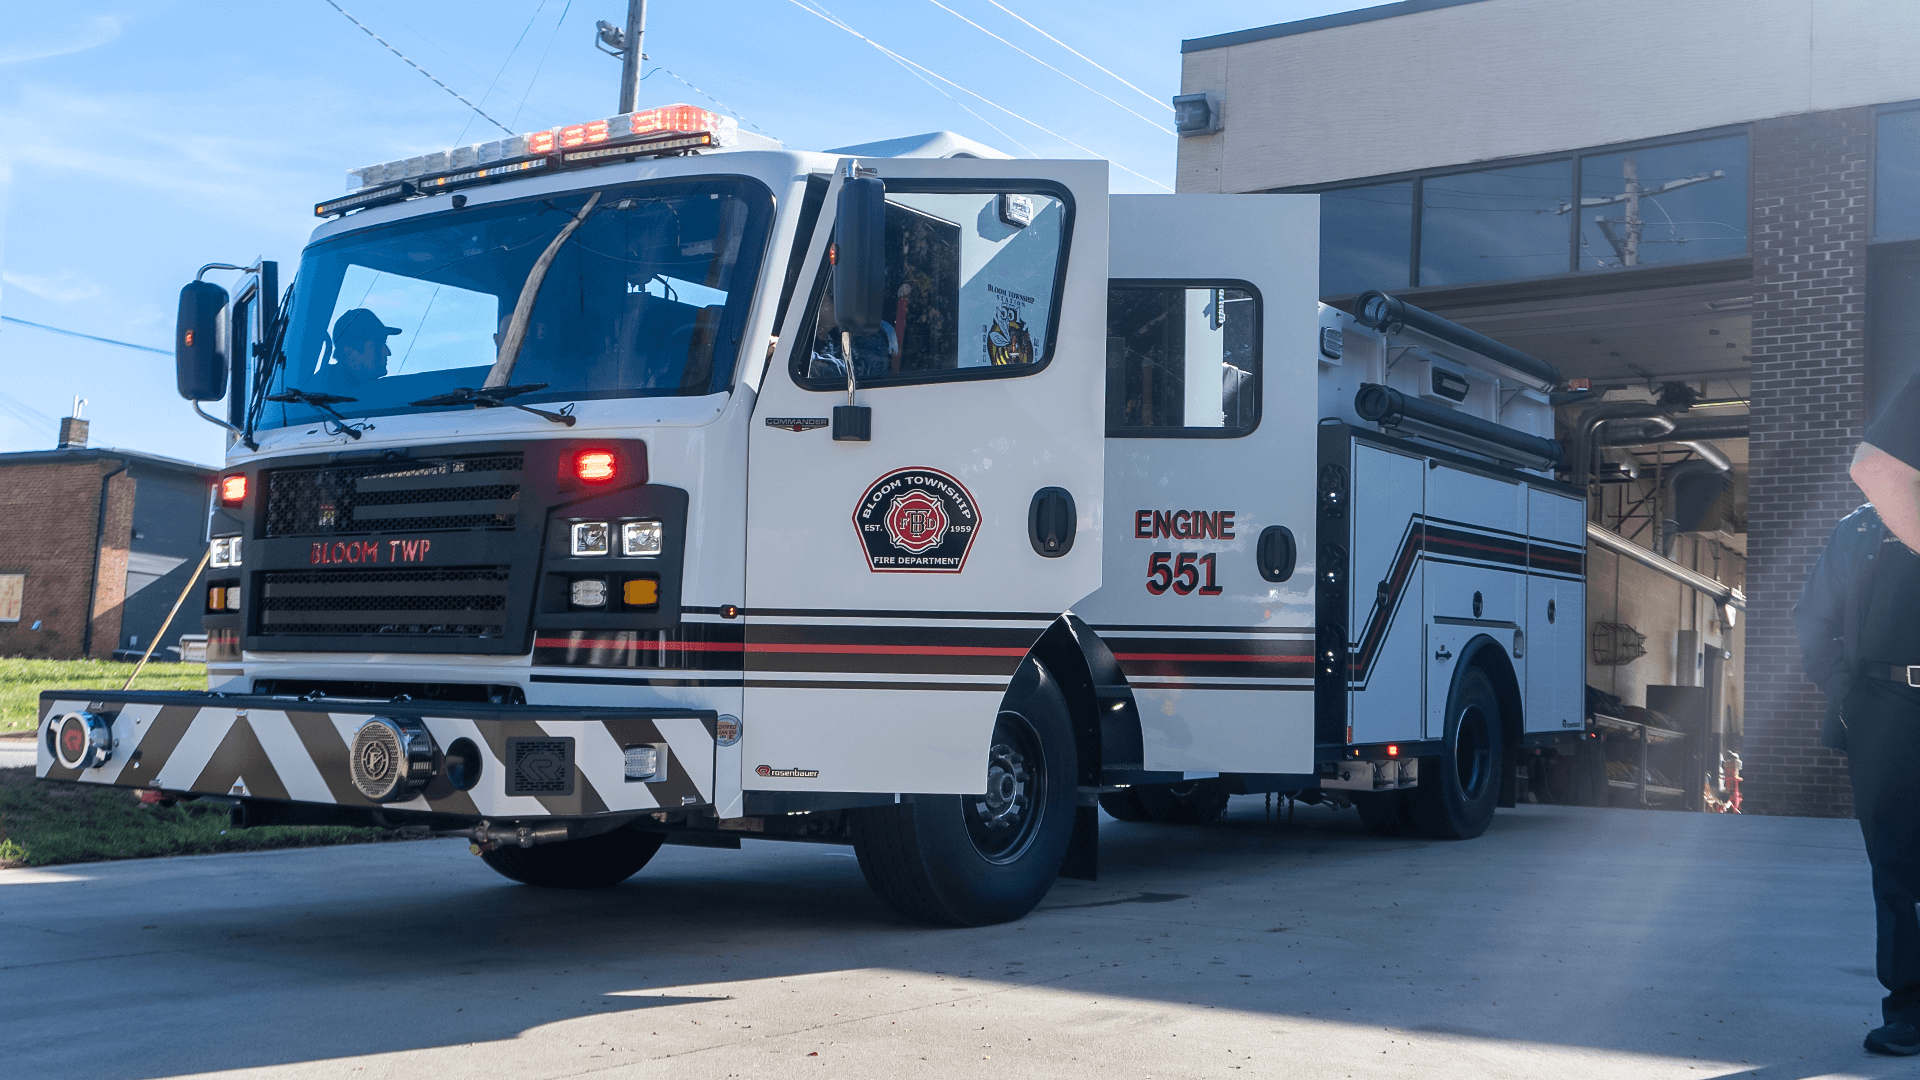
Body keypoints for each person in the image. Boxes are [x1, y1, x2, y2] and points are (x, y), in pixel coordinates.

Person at [1796, 372, 1920, 1056]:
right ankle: (1908, 1010)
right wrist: (1850, 699)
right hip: (1883, 707)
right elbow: (1813, 621)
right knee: (1894, 864)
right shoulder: (1859, 531)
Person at [317, 308, 401, 395]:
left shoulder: (375, 392)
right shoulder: (322, 391)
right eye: (377, 345)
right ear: (350, 352)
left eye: (384, 343)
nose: (387, 352)